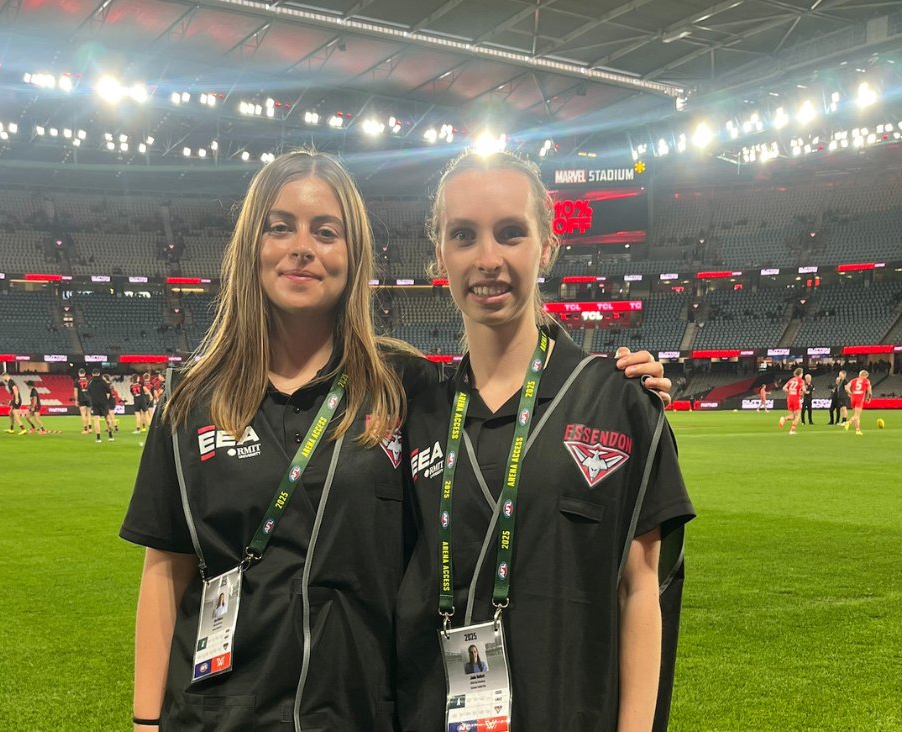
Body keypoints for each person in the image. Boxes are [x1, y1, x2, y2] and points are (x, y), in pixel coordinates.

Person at [120, 149, 675, 731]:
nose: (302, 246)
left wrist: (616, 384)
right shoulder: (189, 400)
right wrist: (145, 722)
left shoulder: (402, 388)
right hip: (216, 717)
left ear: (354, 254)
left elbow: (512, 385)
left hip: (358, 714)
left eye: (326, 231)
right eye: (279, 226)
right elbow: (165, 567)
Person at [395, 151, 694, 732]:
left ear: (548, 246)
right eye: (464, 235)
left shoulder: (618, 399)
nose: (488, 259)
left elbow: (642, 591)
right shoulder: (417, 409)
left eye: (511, 233)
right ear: (441, 256)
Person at [87, 368, 114, 443]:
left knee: (96, 419)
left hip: (94, 403)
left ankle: (98, 437)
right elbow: (108, 392)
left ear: (92, 374)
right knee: (107, 418)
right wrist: (106, 400)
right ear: (99, 373)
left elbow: (88, 392)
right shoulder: (103, 381)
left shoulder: (90, 382)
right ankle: (110, 436)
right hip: (103, 402)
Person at [845, 369, 873, 435]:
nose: (866, 378)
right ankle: (849, 422)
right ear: (864, 375)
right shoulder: (866, 381)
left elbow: (846, 387)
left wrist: (850, 393)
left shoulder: (854, 380)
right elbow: (869, 391)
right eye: (866, 376)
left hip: (853, 397)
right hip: (859, 398)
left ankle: (858, 430)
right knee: (857, 415)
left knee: (856, 415)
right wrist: (868, 398)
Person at [779, 367, 805, 435]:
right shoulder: (801, 380)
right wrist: (802, 393)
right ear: (801, 374)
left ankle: (784, 419)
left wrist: (790, 392)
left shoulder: (791, 380)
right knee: (797, 415)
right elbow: (804, 390)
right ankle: (792, 430)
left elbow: (784, 388)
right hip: (796, 398)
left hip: (789, 398)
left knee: (792, 416)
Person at [73, 368, 93, 434]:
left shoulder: (77, 381)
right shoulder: (88, 380)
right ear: (84, 373)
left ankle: (85, 429)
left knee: (83, 414)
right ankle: (90, 428)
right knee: (89, 413)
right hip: (88, 398)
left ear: (79, 373)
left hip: (81, 398)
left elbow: (75, 391)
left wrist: (76, 400)